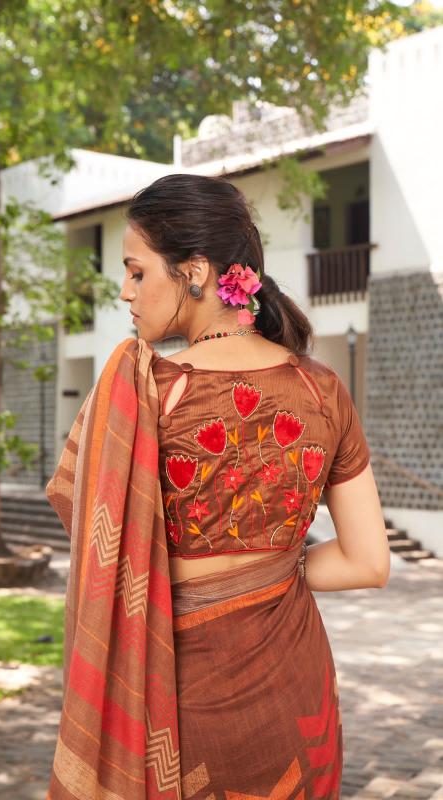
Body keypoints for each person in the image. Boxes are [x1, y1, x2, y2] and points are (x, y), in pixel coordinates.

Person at [44, 174, 390, 800]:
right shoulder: (322, 390)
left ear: (196, 271)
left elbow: (99, 541)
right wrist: (271, 568)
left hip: (174, 704)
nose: (125, 292)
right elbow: (368, 562)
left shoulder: (145, 392)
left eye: (137, 272)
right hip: (298, 702)